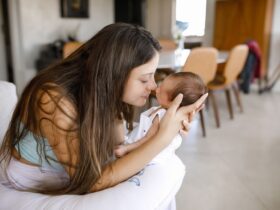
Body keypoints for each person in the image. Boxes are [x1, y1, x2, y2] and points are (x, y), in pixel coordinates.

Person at [0, 23, 207, 195]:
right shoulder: (54, 100)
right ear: (114, 73)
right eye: (145, 78)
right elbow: (92, 182)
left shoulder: (103, 91)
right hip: (26, 180)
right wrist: (162, 138)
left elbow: (116, 147)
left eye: (153, 76)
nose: (153, 86)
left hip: (63, 171)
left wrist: (165, 127)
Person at [115, 72, 207, 159]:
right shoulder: (164, 110)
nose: (157, 89)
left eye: (161, 90)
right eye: (160, 85)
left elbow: (147, 140)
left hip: (137, 151)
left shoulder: (161, 117)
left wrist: (126, 148)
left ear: (175, 102)